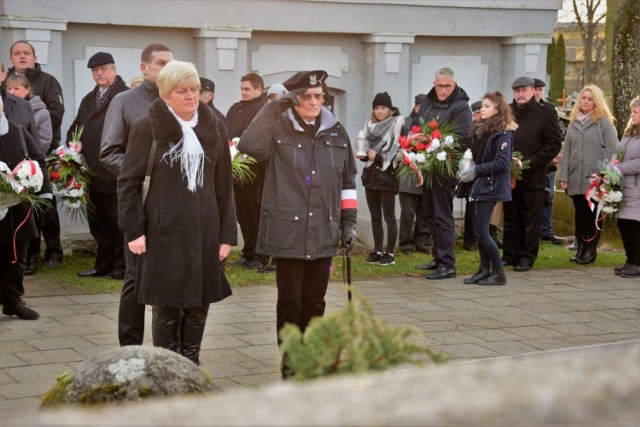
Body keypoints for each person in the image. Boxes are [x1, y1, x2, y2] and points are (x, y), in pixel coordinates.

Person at [238, 70, 357, 372]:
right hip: (288, 231)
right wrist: (275, 105)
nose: (315, 101)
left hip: (324, 231)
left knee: (315, 303)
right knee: (290, 302)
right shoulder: (278, 128)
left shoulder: (336, 131)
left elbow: (347, 180)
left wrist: (349, 222)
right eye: (307, 96)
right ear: (294, 100)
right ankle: (291, 363)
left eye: (319, 96)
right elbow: (250, 146)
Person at [118, 60, 235, 365]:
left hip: (205, 231)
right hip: (162, 233)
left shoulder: (215, 127)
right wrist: (135, 231)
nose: (191, 96)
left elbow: (224, 187)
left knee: (198, 305)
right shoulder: (147, 128)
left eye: (194, 89)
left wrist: (226, 236)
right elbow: (128, 184)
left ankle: (192, 364)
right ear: (165, 95)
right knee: (166, 306)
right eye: (182, 91)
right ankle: (167, 367)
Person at [100, 43, 174, 346]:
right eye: (160, 63)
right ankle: (129, 346)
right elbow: (108, 151)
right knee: (135, 275)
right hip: (139, 201)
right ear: (145, 68)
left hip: (174, 205)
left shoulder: (178, 100)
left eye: (171, 62)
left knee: (168, 274)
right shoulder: (125, 101)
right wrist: (142, 176)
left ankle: (166, 346)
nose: (167, 68)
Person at [67, 52, 129, 280]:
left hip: (115, 172)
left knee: (119, 222)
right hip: (92, 173)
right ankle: (102, 265)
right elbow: (76, 126)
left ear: (114, 69)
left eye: (103, 69)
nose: (99, 74)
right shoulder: (89, 99)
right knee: (99, 223)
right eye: (95, 71)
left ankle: (121, 267)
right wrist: (72, 141)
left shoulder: (125, 96)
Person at [7, 40, 65, 272]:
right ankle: (23, 253)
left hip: (41, 152)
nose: (22, 57)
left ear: (34, 56)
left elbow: (56, 114)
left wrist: (39, 148)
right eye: (17, 53)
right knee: (20, 207)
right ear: (11, 58)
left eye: (26, 53)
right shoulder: (6, 81)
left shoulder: (48, 81)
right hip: (11, 158)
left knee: (45, 205)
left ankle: (53, 250)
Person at [414, 67, 472, 280]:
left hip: (444, 168)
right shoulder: (428, 102)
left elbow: (464, 137)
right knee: (428, 214)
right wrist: (417, 146)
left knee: (442, 216)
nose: (443, 90)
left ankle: (448, 264)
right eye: (440, 86)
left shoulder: (461, 106)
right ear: (434, 83)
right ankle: (438, 257)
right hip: (427, 166)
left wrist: (438, 149)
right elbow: (416, 127)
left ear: (454, 85)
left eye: (447, 86)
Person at [0, 95, 52, 320]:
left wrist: (45, 191)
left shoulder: (19, 131)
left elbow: (39, 160)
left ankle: (13, 300)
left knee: (17, 254)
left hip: (18, 207)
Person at [502, 76, 562, 271]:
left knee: (530, 219)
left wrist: (532, 162)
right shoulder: (507, 112)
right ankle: (510, 254)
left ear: (532, 91)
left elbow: (553, 143)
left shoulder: (544, 112)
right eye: (517, 91)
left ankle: (527, 257)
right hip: (509, 174)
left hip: (533, 174)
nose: (520, 94)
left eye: (524, 90)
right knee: (511, 217)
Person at [459, 92, 516, 286]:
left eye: (486, 106)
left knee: (483, 232)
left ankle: (499, 273)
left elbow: (501, 163)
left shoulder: (503, 133)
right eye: (482, 106)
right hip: (478, 186)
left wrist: (475, 170)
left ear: (497, 110)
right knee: (478, 231)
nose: (481, 109)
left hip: (490, 187)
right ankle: (484, 270)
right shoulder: (481, 131)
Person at [559, 85, 617, 265]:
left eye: (590, 99)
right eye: (583, 98)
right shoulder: (574, 122)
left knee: (592, 215)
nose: (585, 101)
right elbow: (567, 150)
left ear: (597, 102)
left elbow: (612, 150)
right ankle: (581, 247)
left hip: (595, 179)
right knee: (580, 214)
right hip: (576, 177)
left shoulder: (604, 122)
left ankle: (590, 250)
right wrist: (564, 176)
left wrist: (605, 175)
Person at [226, 73, 268, 269]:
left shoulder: (264, 110)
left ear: (259, 90)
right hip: (236, 169)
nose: (243, 92)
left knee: (256, 214)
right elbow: (227, 133)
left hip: (255, 172)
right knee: (243, 215)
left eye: (247, 89)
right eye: (242, 89)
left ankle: (261, 255)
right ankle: (248, 252)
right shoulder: (235, 108)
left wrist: (247, 162)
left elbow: (261, 139)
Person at [357, 92, 402, 265]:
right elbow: (368, 150)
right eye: (377, 108)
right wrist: (363, 156)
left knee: (389, 217)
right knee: (375, 217)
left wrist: (377, 157)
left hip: (387, 176)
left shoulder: (397, 125)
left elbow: (399, 154)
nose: (380, 111)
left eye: (383, 108)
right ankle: (377, 250)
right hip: (371, 177)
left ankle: (389, 253)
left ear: (389, 109)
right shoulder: (369, 126)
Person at [533, 78, 565, 245]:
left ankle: (547, 230)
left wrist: (553, 154)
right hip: (531, 161)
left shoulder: (549, 108)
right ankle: (533, 230)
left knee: (549, 196)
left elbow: (554, 135)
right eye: (535, 89)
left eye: (540, 89)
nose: (537, 92)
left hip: (548, 162)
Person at [398, 93, 430, 255]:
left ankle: (422, 241)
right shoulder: (405, 123)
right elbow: (399, 145)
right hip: (408, 174)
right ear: (416, 107)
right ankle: (405, 244)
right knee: (407, 214)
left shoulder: (431, 125)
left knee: (424, 212)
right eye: (420, 107)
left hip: (426, 174)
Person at [612, 96, 640, 278]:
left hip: (637, 188)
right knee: (623, 223)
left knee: (634, 226)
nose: (632, 114)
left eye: (636, 111)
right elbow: (618, 150)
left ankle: (637, 263)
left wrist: (619, 168)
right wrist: (612, 161)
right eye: (632, 111)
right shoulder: (630, 131)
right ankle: (630, 260)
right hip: (624, 187)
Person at [4, 74, 52, 154]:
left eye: (16, 89)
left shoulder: (42, 113)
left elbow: (44, 141)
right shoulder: (5, 109)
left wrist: (31, 156)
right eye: (9, 89)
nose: (12, 92)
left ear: (27, 90)